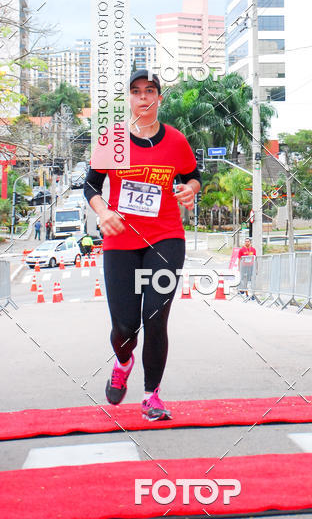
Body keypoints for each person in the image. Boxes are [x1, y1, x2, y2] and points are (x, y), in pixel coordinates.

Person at [84, 70, 201, 422]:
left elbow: (194, 175)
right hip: (121, 240)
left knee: (155, 317)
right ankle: (123, 362)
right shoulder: (113, 141)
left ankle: (152, 395)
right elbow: (90, 187)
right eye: (136, 92)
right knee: (124, 327)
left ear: (159, 98)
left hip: (165, 237)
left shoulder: (176, 141)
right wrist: (103, 211)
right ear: (129, 99)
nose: (143, 97)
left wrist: (191, 190)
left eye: (150, 91)